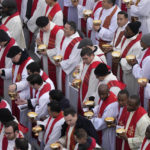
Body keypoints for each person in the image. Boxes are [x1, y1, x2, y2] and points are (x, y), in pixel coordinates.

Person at [0, 46, 33, 125]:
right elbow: (13, 72)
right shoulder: (18, 61)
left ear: (20, 53)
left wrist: (15, 86)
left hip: (25, 93)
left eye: (13, 57)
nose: (12, 60)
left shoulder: (28, 63)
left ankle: (24, 134)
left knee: (24, 118)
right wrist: (2, 72)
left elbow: (27, 81)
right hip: (17, 93)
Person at [87, 0, 120, 67]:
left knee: (105, 65)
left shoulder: (117, 14)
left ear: (110, 3)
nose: (102, 3)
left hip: (107, 45)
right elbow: (93, 22)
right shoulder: (99, 10)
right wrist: (89, 21)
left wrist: (99, 29)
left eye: (104, 1)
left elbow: (112, 34)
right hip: (96, 41)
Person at [55, 21, 82, 99]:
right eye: (64, 27)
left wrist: (61, 63)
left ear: (72, 31)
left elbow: (73, 61)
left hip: (69, 71)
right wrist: (57, 58)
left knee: (68, 93)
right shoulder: (65, 36)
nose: (63, 30)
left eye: (66, 29)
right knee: (60, 86)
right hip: (61, 67)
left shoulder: (77, 42)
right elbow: (59, 48)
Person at [35, 16, 64, 86]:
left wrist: (47, 52)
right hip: (44, 60)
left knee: (57, 81)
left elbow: (60, 49)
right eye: (41, 28)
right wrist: (38, 45)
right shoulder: (41, 31)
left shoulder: (58, 31)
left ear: (49, 22)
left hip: (54, 62)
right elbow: (38, 45)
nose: (44, 29)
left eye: (45, 27)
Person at [116, 21, 142, 95]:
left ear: (133, 32)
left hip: (130, 75)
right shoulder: (126, 37)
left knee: (130, 92)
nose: (125, 31)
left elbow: (133, 62)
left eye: (127, 30)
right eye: (125, 29)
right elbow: (120, 48)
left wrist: (120, 60)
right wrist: (114, 51)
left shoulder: (138, 45)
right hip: (121, 68)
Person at [91, 84, 118, 150]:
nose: (101, 96)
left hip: (108, 131)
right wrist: (93, 111)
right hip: (102, 125)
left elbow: (103, 122)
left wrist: (91, 121)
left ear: (108, 92)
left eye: (103, 94)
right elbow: (100, 107)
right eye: (100, 94)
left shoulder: (111, 105)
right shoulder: (104, 96)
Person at [77, 47, 102, 114]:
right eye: (83, 59)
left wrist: (86, 102)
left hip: (90, 96)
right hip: (83, 88)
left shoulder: (95, 66)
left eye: (85, 59)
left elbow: (92, 87)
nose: (84, 61)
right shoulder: (89, 61)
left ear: (92, 55)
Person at [131, 33, 150, 110]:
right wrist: (137, 61)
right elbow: (142, 61)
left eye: (141, 41)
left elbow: (142, 76)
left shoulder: (148, 58)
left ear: (146, 43)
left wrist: (134, 65)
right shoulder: (146, 50)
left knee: (145, 107)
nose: (140, 42)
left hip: (147, 87)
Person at [0, 29, 17, 98]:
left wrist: (2, 71)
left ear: (3, 41)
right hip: (4, 73)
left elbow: (11, 67)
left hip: (9, 79)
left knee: (9, 97)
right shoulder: (6, 45)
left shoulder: (12, 49)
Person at [111, 11, 128, 75]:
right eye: (117, 19)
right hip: (115, 54)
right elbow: (115, 39)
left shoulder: (128, 30)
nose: (118, 21)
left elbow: (125, 46)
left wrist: (113, 49)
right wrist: (111, 46)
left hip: (121, 57)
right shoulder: (119, 27)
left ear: (126, 20)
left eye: (121, 19)